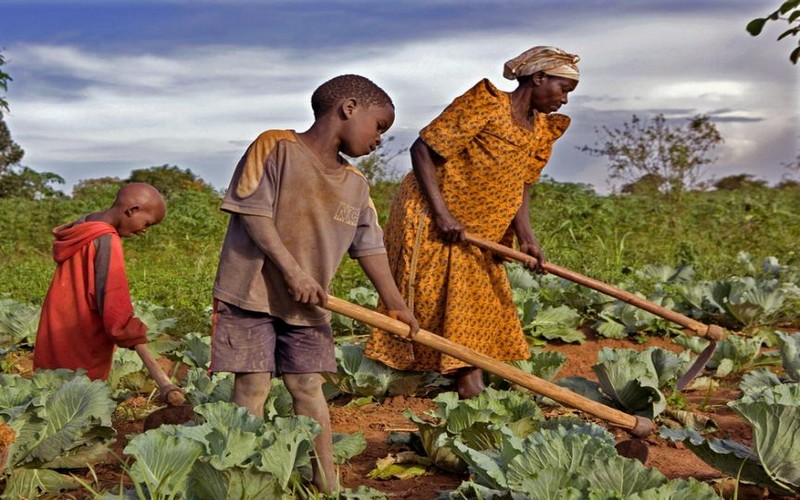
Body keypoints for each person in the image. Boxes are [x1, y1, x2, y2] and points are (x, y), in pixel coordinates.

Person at [210, 74, 418, 494]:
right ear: (349, 108)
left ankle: (327, 484)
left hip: (308, 305)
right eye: (380, 126)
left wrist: (394, 303)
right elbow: (252, 213)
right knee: (252, 387)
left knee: (308, 387)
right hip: (252, 293)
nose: (380, 139)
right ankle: (239, 483)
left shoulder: (357, 185)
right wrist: (293, 271)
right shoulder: (276, 146)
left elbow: (370, 246)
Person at [364, 46, 580, 399]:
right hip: (431, 216)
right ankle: (466, 380)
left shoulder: (541, 129)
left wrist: (527, 236)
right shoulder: (487, 104)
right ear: (538, 78)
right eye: (563, 89)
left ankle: (460, 374)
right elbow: (422, 149)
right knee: (446, 293)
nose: (565, 100)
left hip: (484, 230)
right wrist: (443, 214)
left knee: (482, 298)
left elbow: (520, 184)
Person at [33, 182, 167, 380]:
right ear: (132, 210)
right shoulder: (106, 239)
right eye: (147, 223)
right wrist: (127, 330)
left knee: (49, 391)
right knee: (80, 398)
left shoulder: (82, 227)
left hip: (56, 328)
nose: (145, 230)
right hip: (84, 336)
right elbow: (112, 293)